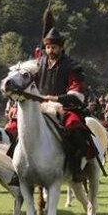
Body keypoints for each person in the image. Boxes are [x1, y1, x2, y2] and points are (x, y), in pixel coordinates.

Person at [35, 27, 93, 181]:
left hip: (65, 108)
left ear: (61, 48)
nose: (50, 50)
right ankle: (16, 169)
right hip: (38, 107)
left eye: (53, 47)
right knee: (14, 129)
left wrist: (56, 98)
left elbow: (77, 93)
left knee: (77, 131)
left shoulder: (71, 66)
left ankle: (75, 169)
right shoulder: (38, 64)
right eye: (47, 47)